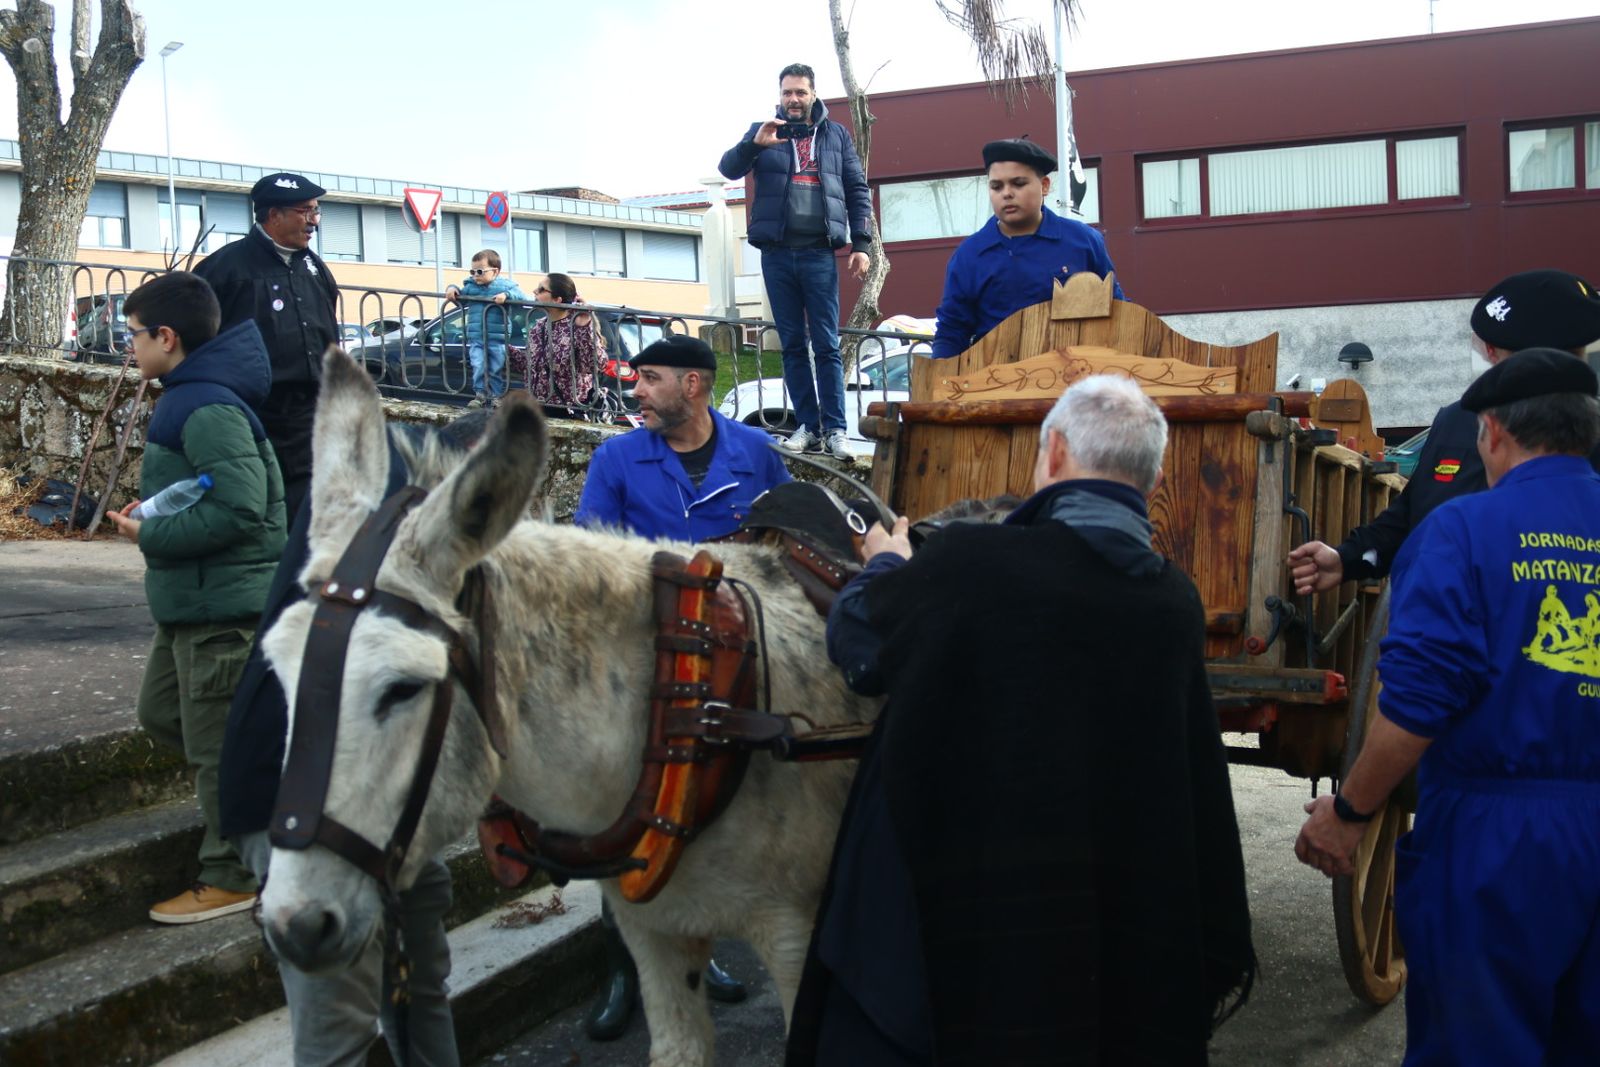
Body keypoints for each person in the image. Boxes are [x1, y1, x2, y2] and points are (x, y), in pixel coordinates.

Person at [788, 374, 1255, 1064]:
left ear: (1056, 452)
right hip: (1102, 919)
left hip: (972, 918)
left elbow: (861, 644)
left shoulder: (972, 562)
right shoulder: (1173, 599)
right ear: (1149, 483)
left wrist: (885, 565)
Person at [1295, 349, 1600, 1065]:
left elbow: (1416, 706)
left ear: (1490, 432)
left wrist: (1350, 815)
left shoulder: (1461, 530)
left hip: (1500, 835)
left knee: (1479, 1044)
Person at [218, 414, 488, 1067]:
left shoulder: (378, 493)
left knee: (420, 989)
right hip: (303, 801)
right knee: (338, 1031)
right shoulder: (402, 525)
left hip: (383, 810)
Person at [573, 334, 791, 1038]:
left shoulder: (755, 455)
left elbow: (787, 544)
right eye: (636, 379)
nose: (636, 391)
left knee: (714, 808)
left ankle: (704, 946)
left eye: (651, 378)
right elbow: (589, 556)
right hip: (642, 669)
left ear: (694, 386)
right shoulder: (615, 458)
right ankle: (623, 967)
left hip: (738, 666)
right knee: (626, 813)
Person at [105, 272, 287, 923]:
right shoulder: (188, 395)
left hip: (222, 612)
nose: (128, 348)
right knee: (162, 713)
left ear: (167, 336)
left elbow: (242, 508)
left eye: (133, 335)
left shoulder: (206, 404)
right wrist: (155, 511)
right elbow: (209, 489)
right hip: (193, 605)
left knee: (216, 749)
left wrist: (151, 534)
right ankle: (263, 801)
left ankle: (232, 871)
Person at [1289, 269, 1600, 595]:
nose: (1487, 355)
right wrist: (1347, 558)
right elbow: (1411, 513)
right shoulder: (1459, 419)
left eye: (1494, 349)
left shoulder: (1585, 435)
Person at [718, 62, 873, 458]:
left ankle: (836, 429)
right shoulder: (764, 131)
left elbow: (856, 189)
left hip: (819, 252)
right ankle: (808, 426)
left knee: (826, 344)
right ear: (780, 95)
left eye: (800, 92)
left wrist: (861, 244)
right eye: (787, 92)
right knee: (791, 343)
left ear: (813, 95)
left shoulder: (836, 135)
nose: (793, 99)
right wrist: (754, 144)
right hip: (777, 253)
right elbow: (728, 168)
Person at [193, 172, 340, 527]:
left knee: (309, 515)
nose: (313, 222)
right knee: (258, 508)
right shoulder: (224, 269)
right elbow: (192, 342)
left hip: (310, 414)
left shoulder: (313, 266)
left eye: (316, 211)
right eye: (305, 212)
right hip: (254, 414)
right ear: (274, 216)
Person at [930, 138, 1126, 360]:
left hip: (1079, 381)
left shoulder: (1084, 241)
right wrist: (940, 381)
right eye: (996, 186)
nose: (1006, 193)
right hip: (995, 385)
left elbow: (1119, 312)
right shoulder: (969, 255)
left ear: (1044, 186)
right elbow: (952, 330)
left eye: (1018, 183)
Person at [445, 249, 529, 409]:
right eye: (472, 271)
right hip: (476, 337)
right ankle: (480, 394)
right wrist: (452, 289)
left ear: (495, 271)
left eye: (480, 271)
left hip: (497, 338)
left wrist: (506, 295)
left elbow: (522, 297)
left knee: (495, 368)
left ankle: (496, 396)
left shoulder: (506, 286)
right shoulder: (471, 286)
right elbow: (459, 296)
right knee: (478, 364)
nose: (475, 275)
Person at [521, 272, 604, 411]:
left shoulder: (577, 326)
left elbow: (594, 365)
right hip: (537, 408)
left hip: (568, 409)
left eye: (541, 289)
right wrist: (499, 348)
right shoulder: (539, 326)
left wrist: (584, 326)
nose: (534, 292)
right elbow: (529, 362)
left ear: (557, 299)